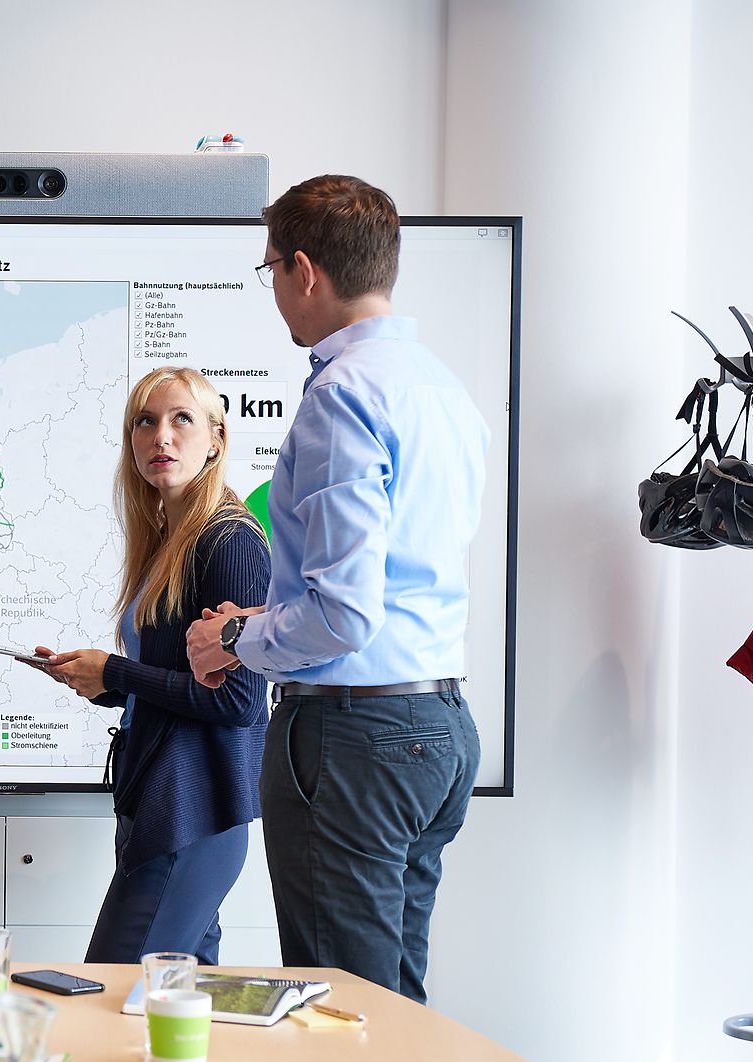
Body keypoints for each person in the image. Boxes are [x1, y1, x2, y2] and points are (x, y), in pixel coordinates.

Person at [184, 175, 488, 1003]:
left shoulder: (342, 394)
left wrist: (235, 638)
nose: (275, 290)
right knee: (395, 1007)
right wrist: (265, 616)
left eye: (271, 270)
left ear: (305, 270)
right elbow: (390, 577)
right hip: (439, 724)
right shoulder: (442, 388)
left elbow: (348, 613)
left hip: (355, 737)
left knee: (341, 1012)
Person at [28, 366, 270, 965]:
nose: (161, 436)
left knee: (110, 992)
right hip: (160, 803)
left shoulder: (229, 539)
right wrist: (96, 681)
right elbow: (177, 683)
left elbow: (238, 702)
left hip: (192, 812)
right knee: (180, 1021)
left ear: (216, 438)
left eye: (181, 419)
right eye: (145, 421)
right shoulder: (168, 540)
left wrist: (117, 673)